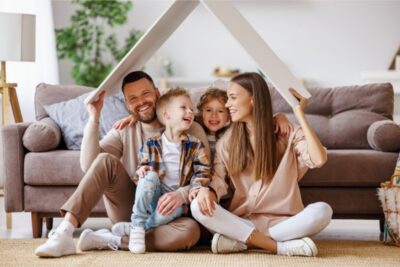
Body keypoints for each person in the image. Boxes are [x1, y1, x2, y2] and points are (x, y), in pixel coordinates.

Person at [34, 71, 209, 257]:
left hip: (172, 214)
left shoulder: (190, 128)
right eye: (133, 98)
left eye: (145, 94)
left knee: (190, 232)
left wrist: (181, 194)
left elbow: (206, 174)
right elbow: (88, 165)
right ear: (127, 104)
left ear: (157, 93)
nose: (141, 102)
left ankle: (110, 240)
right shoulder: (125, 129)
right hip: (132, 207)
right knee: (104, 160)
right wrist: (94, 119)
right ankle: (64, 233)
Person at [191, 72, 333, 257]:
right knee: (197, 206)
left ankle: (245, 242)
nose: (227, 105)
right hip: (244, 222)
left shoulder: (286, 132)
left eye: (232, 98)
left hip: (284, 223)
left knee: (322, 211)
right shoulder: (226, 142)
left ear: (253, 100)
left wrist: (299, 114)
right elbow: (218, 180)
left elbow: (319, 159)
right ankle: (278, 247)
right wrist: (206, 191)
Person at [128, 88, 211, 253]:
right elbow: (141, 171)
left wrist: (195, 188)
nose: (190, 111)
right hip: (154, 196)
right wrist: (141, 171)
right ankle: (137, 224)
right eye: (183, 108)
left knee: (175, 209)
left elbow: (203, 172)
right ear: (166, 115)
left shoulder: (195, 145)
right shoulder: (150, 144)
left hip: (176, 204)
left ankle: (138, 227)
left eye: (191, 109)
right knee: (150, 175)